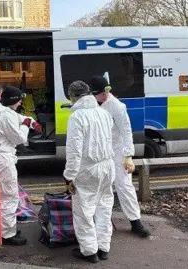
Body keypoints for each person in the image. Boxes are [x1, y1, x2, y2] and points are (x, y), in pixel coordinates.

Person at [88, 75, 151, 238]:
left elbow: (125, 130)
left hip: (117, 151)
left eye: (108, 90)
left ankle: (135, 222)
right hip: (99, 152)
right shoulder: (89, 105)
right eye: (103, 92)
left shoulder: (117, 106)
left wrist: (128, 156)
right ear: (94, 94)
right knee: (100, 187)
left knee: (124, 186)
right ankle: (99, 223)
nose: (106, 95)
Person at [63, 81, 116, 263]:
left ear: (73, 96)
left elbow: (74, 151)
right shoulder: (104, 113)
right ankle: (104, 247)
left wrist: (69, 176)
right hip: (107, 167)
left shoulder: (77, 117)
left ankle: (89, 251)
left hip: (87, 169)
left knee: (83, 210)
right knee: (104, 207)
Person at [0, 85, 42, 246]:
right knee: (9, 196)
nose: (20, 103)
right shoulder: (6, 116)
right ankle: (8, 234)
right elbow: (18, 139)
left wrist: (31, 123)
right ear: (14, 101)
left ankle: (1, 228)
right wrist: (26, 126)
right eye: (19, 101)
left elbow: (22, 118)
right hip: (3, 159)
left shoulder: (4, 112)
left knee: (1, 196)